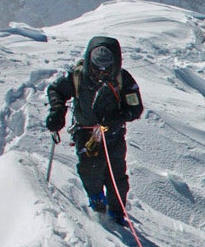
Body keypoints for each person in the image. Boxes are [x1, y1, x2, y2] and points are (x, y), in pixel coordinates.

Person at [45, 36, 143, 225]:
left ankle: (117, 213)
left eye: (107, 66)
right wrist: (57, 111)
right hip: (86, 132)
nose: (102, 71)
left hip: (113, 133)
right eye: (98, 66)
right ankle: (96, 197)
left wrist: (118, 117)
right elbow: (56, 90)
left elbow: (135, 108)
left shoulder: (124, 79)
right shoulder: (78, 76)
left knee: (116, 177)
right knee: (89, 169)